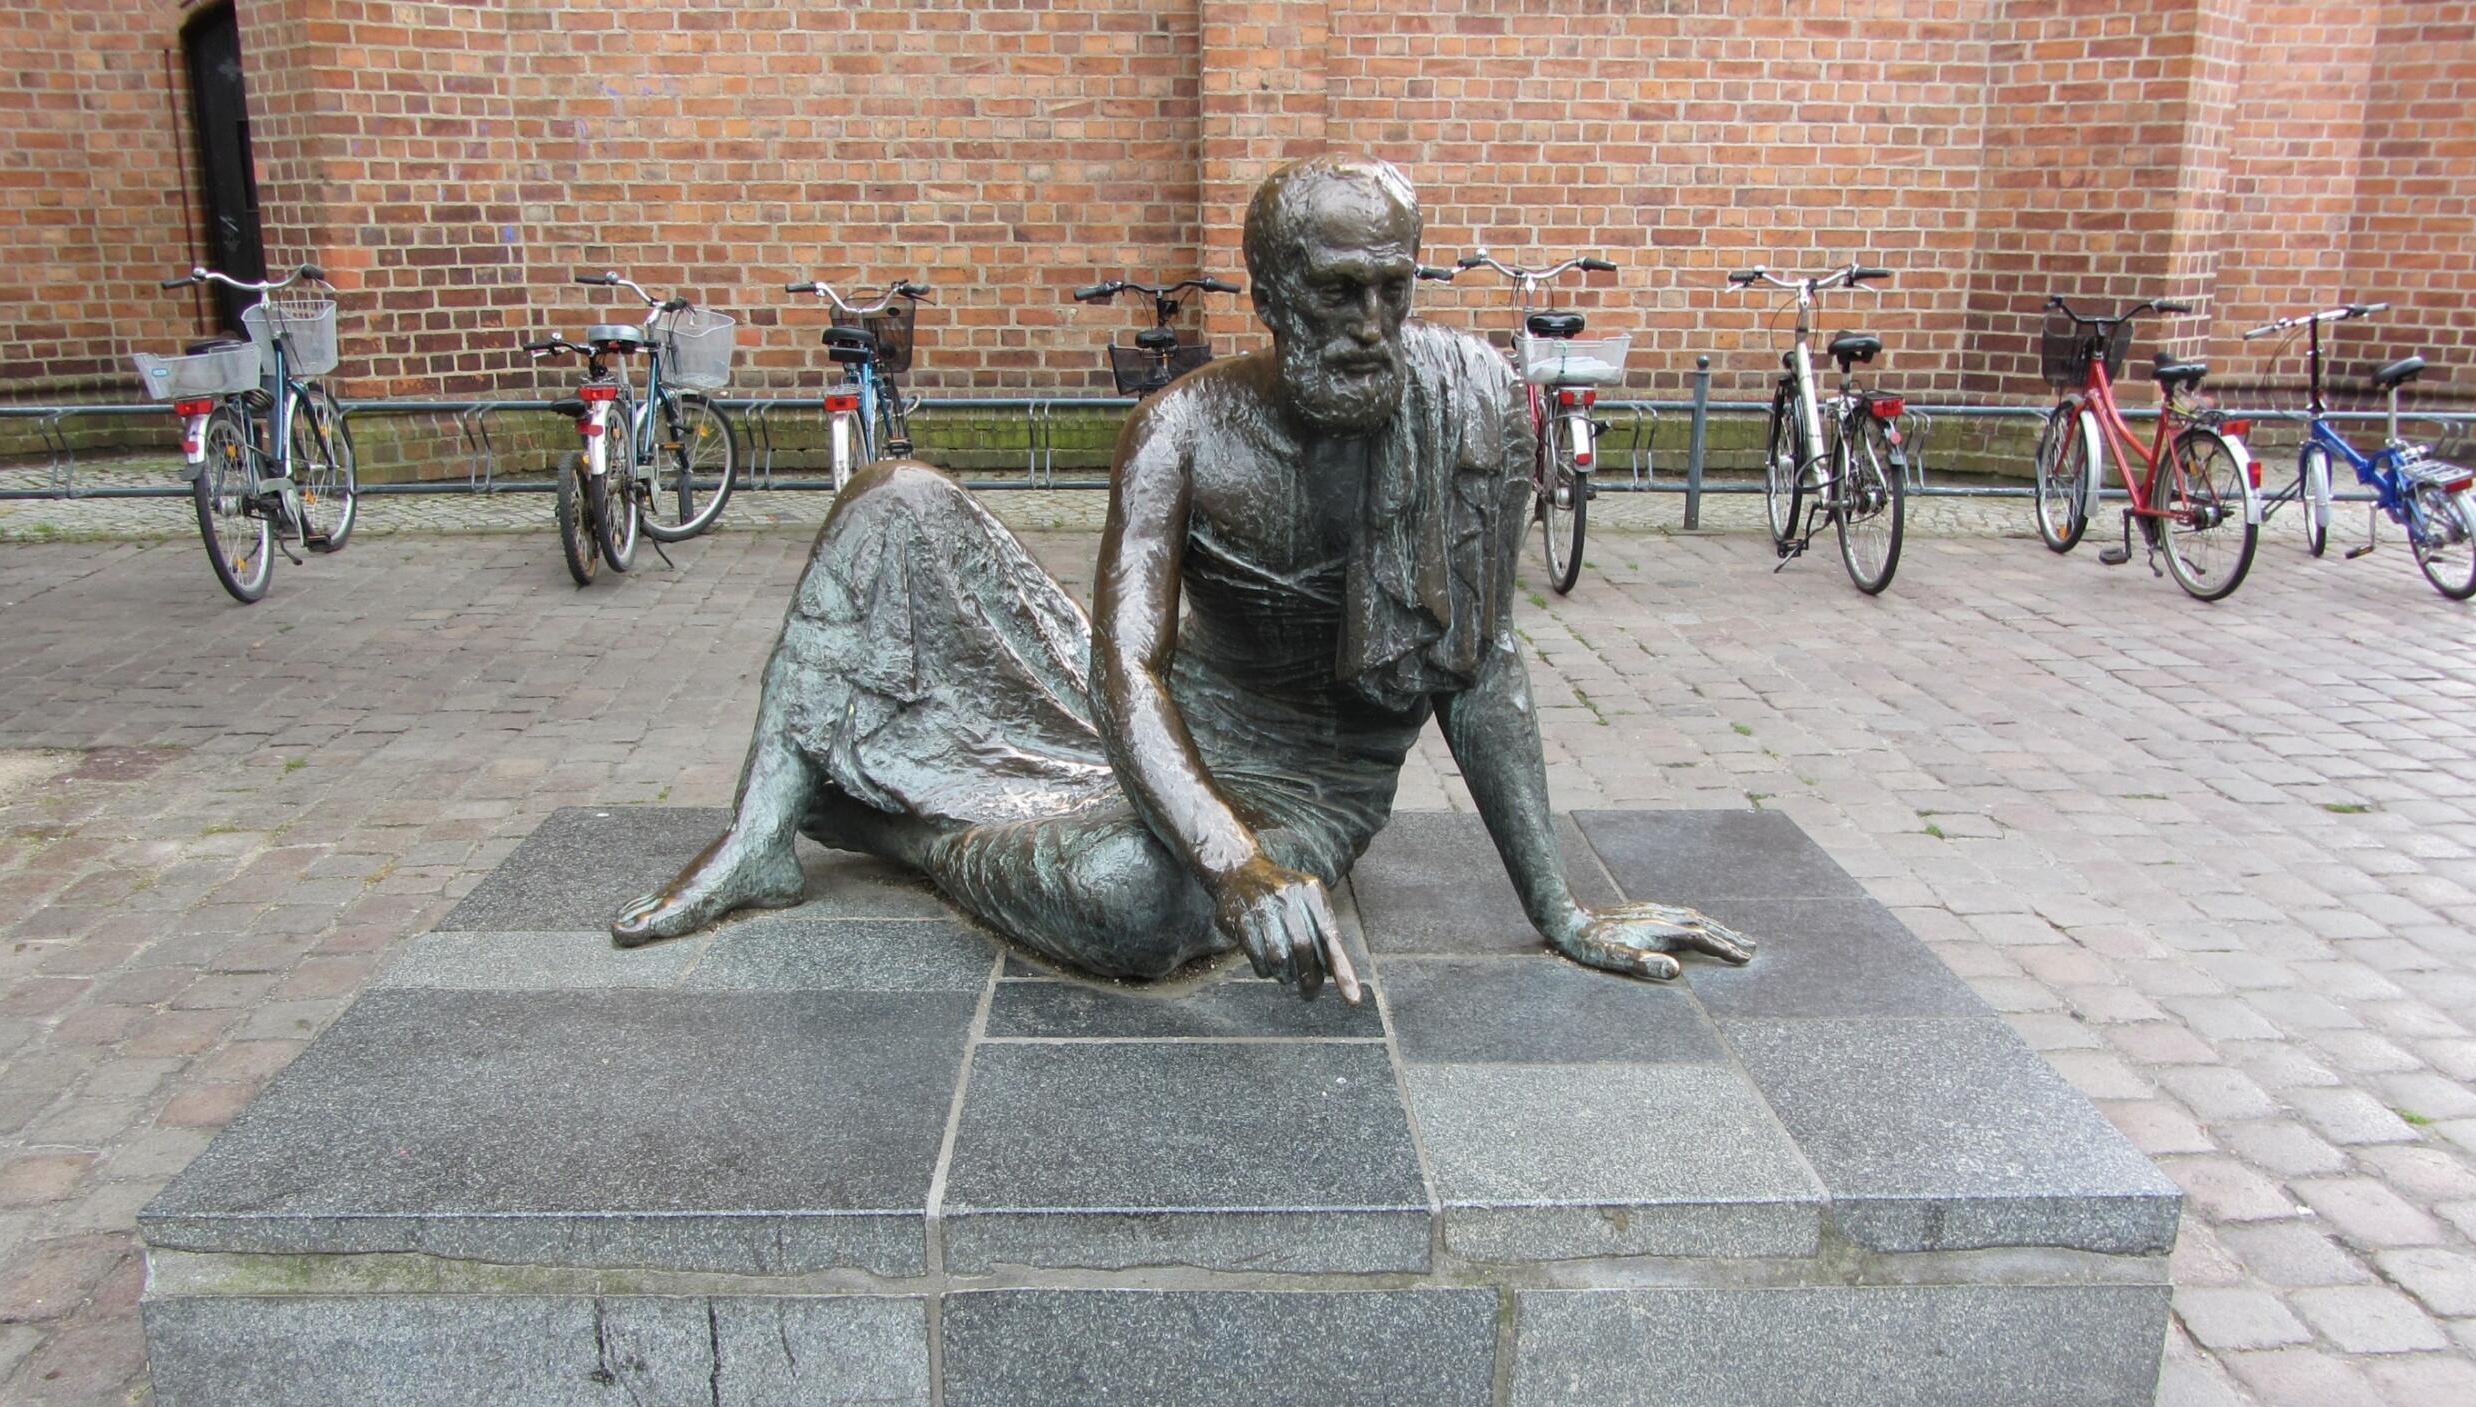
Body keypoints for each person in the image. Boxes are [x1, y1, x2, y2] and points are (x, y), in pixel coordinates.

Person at [612, 155, 1751, 1001]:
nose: (1370, 326)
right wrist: (1231, 863)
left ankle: (877, 828)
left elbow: (1483, 667)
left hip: (1312, 783)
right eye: (1335, 292)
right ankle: (764, 834)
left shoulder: (1469, 408)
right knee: (894, 498)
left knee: (1130, 901)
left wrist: (1556, 907)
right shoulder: (1183, 431)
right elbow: (1124, 667)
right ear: (1265, 293)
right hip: (1158, 723)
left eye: (1393, 291)